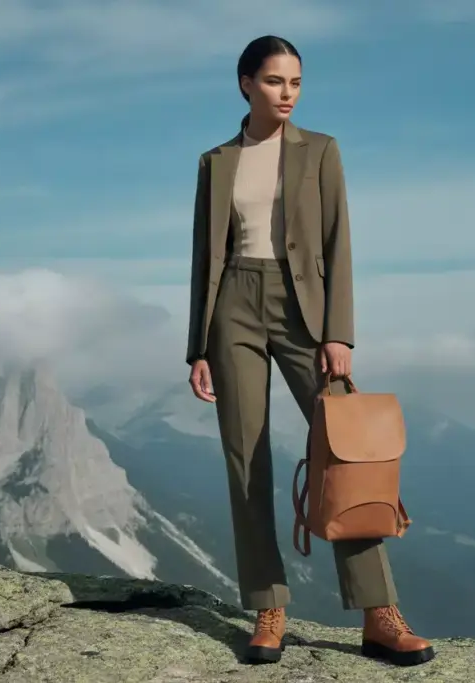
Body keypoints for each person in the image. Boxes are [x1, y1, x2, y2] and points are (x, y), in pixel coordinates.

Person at [185, 35, 434, 667]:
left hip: (306, 312)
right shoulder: (215, 162)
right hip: (232, 309)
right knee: (246, 460)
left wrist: (339, 333)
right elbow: (203, 259)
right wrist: (198, 346)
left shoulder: (321, 151)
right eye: (274, 81)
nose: (288, 93)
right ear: (245, 84)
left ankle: (379, 614)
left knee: (349, 454)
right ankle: (269, 609)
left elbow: (337, 242)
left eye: (296, 82)